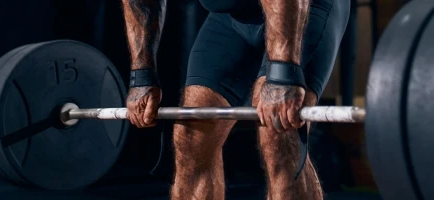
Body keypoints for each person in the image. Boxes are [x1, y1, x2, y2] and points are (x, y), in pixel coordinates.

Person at [120, 0, 349, 199]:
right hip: (231, 18)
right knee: (192, 135)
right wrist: (141, 76)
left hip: (301, 8)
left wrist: (283, 72)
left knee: (279, 133)